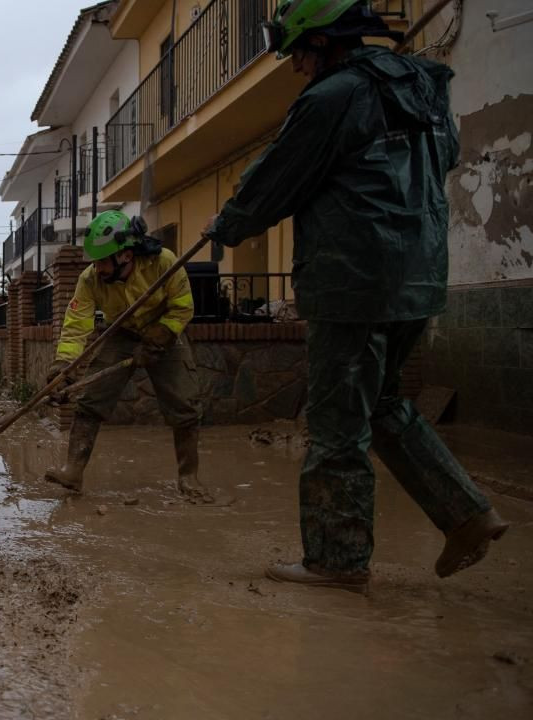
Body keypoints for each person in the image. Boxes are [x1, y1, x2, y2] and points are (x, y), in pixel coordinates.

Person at [204, 0, 507, 592]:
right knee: (384, 401)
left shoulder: (331, 97)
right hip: (420, 275)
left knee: (338, 422)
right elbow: (446, 159)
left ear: (325, 42)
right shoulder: (424, 86)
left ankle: (336, 561)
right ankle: (468, 514)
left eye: (299, 54)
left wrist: (227, 225)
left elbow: (276, 183)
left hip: (353, 278)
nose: (295, 68)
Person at [43, 210, 212, 503]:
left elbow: (183, 306)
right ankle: (73, 471)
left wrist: (161, 335)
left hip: (164, 333)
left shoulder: (165, 263)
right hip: (120, 332)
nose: (98, 269)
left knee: (185, 405)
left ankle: (189, 477)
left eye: (102, 262)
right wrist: (63, 366)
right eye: (95, 262)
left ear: (125, 256)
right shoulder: (90, 279)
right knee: (90, 401)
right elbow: (76, 326)